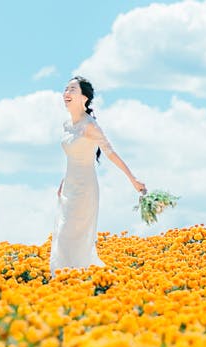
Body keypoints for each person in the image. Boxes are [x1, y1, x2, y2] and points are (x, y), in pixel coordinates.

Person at [50, 76, 146, 275]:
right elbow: (73, 158)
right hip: (69, 187)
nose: (66, 93)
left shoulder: (90, 126)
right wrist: (62, 182)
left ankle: (77, 276)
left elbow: (110, 153)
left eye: (72, 89)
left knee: (73, 235)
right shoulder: (67, 125)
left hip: (85, 188)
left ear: (84, 98)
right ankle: (65, 278)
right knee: (62, 233)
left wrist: (133, 179)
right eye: (66, 89)